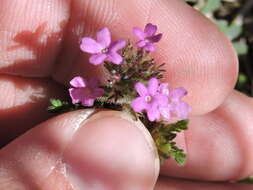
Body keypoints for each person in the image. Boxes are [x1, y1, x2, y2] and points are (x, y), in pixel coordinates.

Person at [0, 0, 252, 189]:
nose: (108, 50)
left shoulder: (144, 87)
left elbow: (145, 94)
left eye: (109, 49)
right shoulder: (119, 71)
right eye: (106, 49)